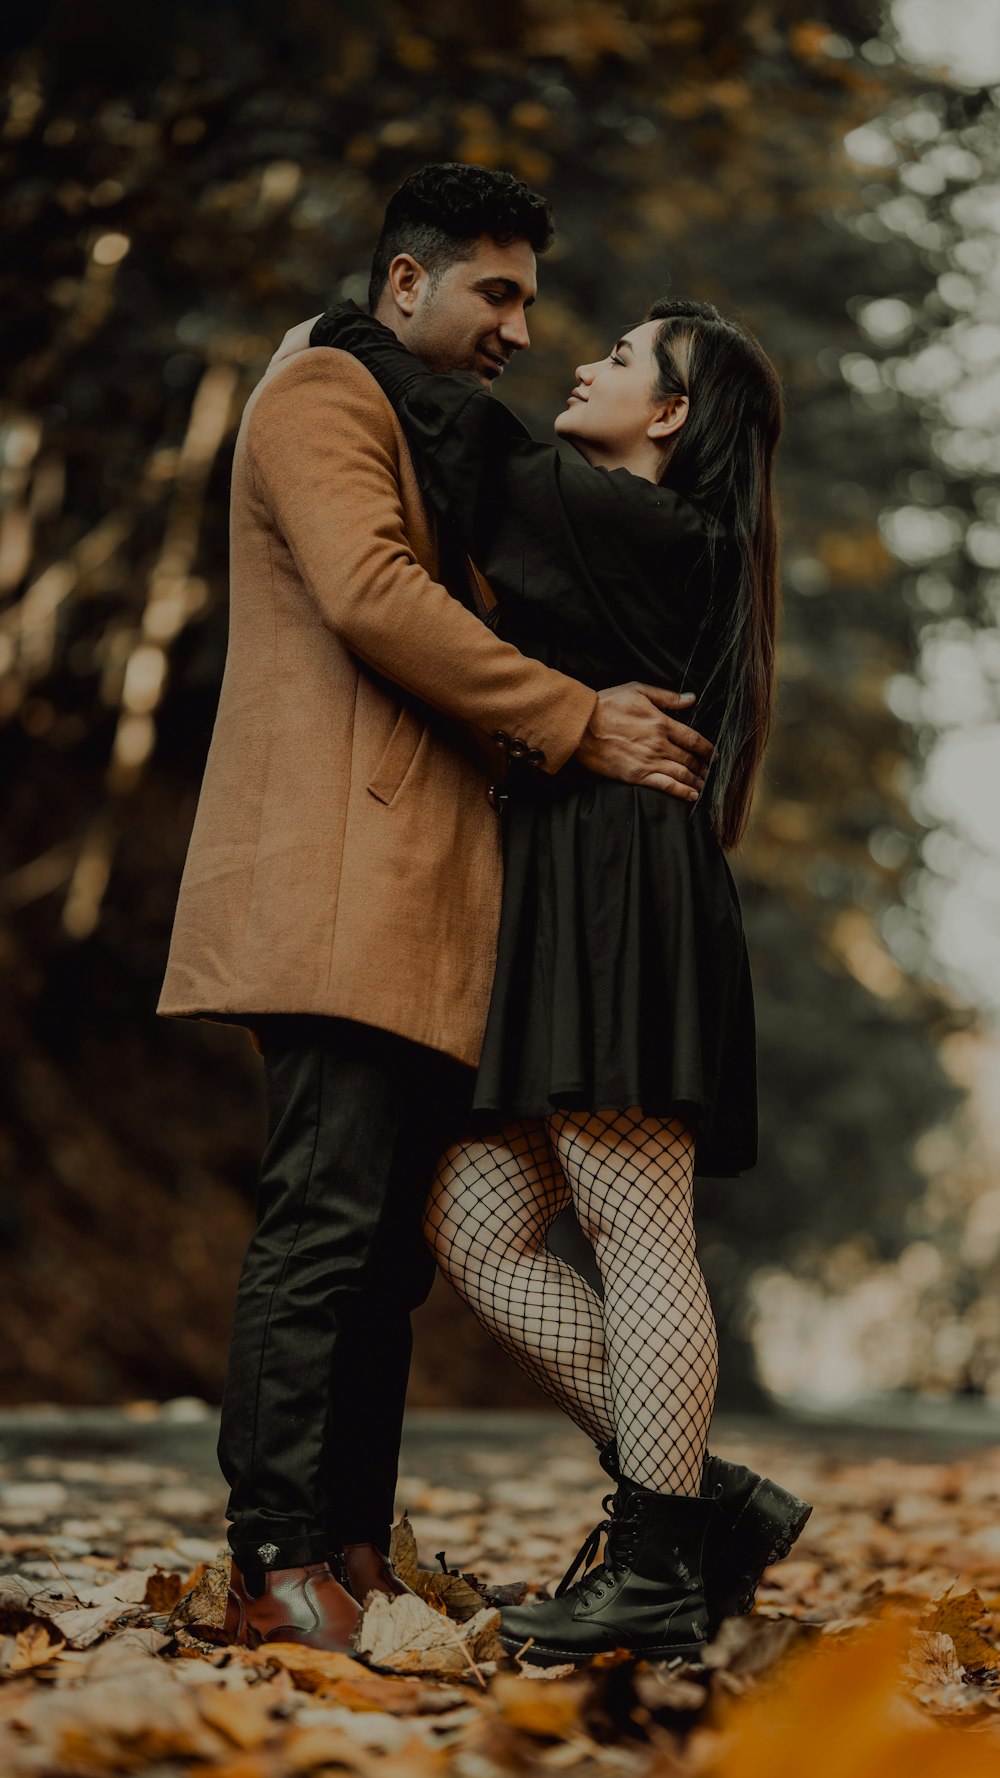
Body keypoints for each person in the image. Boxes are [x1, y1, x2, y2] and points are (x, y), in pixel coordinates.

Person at [157, 162, 715, 1655]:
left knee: (389, 1256)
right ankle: (273, 1557)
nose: (523, 329)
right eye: (499, 292)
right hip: (341, 879)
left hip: (424, 906)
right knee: (324, 1225)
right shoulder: (326, 395)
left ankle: (349, 1543)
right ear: (405, 283)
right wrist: (579, 719)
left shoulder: (415, 416)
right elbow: (373, 595)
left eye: (532, 298)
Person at [306, 290, 813, 1664]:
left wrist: (353, 333)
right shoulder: (638, 532)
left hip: (621, 898)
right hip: (577, 894)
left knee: (637, 1223)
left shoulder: (652, 524)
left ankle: (653, 1564)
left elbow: (469, 445)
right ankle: (707, 1503)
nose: (584, 359)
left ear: (672, 416)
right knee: (475, 1220)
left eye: (623, 357)